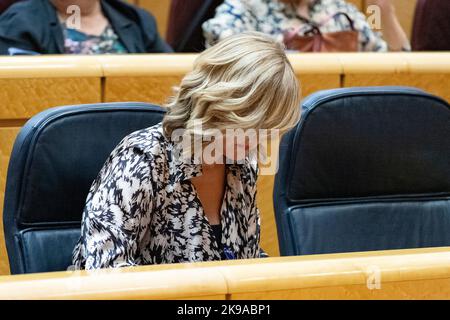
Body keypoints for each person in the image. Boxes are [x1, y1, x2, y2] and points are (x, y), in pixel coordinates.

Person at [71, 32, 301, 269]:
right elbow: (103, 273)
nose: (256, 138)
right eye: (250, 122)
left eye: (268, 127)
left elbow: (245, 260)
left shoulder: (242, 164)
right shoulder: (143, 158)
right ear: (217, 100)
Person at [203, 0, 410, 52]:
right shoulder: (243, 8)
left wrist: (384, 11)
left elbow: (396, 69)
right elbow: (219, 50)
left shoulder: (339, 10)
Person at [0, 0, 172, 55]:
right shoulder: (18, 22)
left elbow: (173, 77)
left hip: (136, 127)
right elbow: (22, 90)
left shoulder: (137, 20)